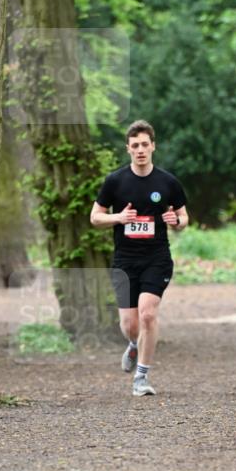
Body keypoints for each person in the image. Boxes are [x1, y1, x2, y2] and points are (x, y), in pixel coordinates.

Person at [90, 120, 188, 396]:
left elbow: (184, 217)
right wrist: (118, 217)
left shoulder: (168, 182)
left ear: (153, 146)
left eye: (145, 144)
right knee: (129, 325)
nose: (141, 150)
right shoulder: (115, 181)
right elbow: (95, 217)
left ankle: (141, 378)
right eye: (135, 145)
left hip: (157, 258)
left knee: (147, 314)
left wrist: (176, 220)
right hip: (125, 260)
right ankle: (134, 345)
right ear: (128, 149)